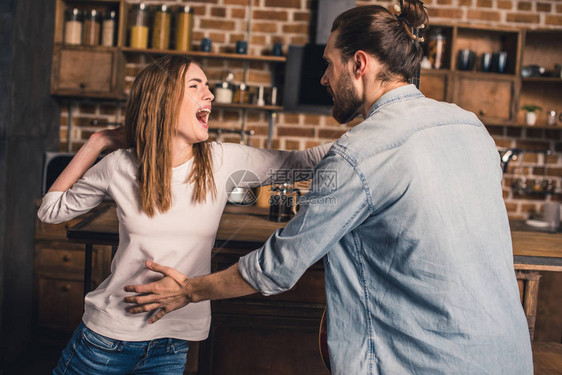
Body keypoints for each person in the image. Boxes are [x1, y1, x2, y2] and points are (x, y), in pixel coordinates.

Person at [123, 2, 534, 374]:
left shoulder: (359, 152)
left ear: (359, 64)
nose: (323, 78)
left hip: (425, 362)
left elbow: (278, 267)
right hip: (509, 355)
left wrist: (190, 290)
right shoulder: (469, 125)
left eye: (328, 64)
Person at [38, 55, 330, 374]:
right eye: (195, 85)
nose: (210, 94)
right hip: (108, 340)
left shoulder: (221, 161)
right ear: (163, 100)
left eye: (208, 86)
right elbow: (50, 211)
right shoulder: (119, 165)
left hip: (172, 345)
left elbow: (300, 162)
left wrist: (375, 135)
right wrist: (97, 142)